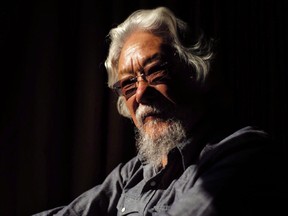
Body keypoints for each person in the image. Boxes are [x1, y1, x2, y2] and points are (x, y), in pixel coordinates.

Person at [33, 6, 285, 216]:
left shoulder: (241, 153)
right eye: (129, 84)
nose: (141, 93)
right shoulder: (133, 172)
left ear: (194, 73)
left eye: (155, 72)